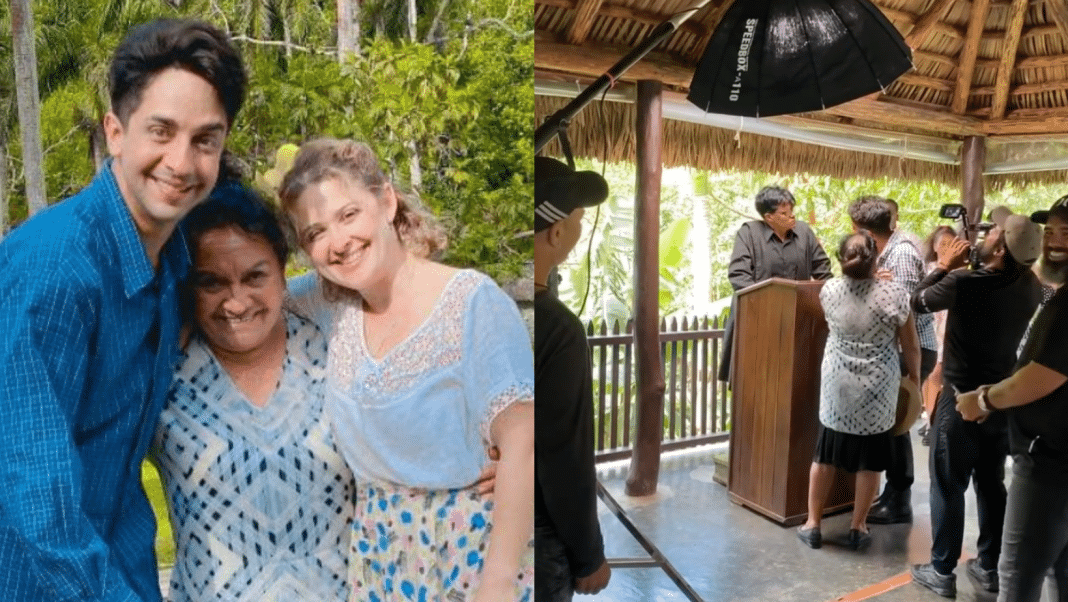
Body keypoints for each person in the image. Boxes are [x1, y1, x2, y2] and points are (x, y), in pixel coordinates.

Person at [0, 19, 246, 601]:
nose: (181, 163)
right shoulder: (57, 268)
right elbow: (38, 500)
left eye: (205, 140)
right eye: (161, 131)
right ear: (115, 131)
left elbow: (272, 299)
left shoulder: (172, 265)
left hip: (124, 567)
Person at [280, 138, 534, 602]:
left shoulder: (471, 302)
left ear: (387, 201)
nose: (337, 243)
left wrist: (496, 586)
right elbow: (247, 296)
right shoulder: (332, 305)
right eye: (315, 233)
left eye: (348, 214)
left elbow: (523, 442)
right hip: (379, 556)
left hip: (471, 554)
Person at [151, 183, 356, 601]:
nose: (236, 302)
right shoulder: (162, 376)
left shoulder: (337, 350)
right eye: (212, 282)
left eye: (254, 276)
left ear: (284, 273)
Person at [908, 213, 1043, 598]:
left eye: (993, 233)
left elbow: (916, 302)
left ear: (1000, 249)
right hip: (999, 400)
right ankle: (988, 566)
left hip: (960, 397)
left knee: (948, 485)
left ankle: (942, 571)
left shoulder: (964, 281)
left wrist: (943, 266)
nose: (984, 235)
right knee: (991, 483)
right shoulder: (1032, 286)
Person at [956, 197, 1068, 602]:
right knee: (1060, 570)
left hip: (1048, 463)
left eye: (1066, 233)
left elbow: (1042, 376)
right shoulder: (1046, 290)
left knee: (1018, 575)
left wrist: (984, 399)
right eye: (1050, 231)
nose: (1055, 241)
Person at [797, 230, 920, 551]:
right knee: (870, 463)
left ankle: (812, 524)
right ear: (875, 257)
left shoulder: (830, 290)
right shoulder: (895, 295)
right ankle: (858, 527)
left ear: (841, 260)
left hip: (838, 387)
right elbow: (910, 346)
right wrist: (916, 381)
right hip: (877, 390)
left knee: (824, 455)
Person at [533, 156, 611, 601]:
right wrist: (588, 554)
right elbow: (562, 456)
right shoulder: (556, 329)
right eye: (579, 218)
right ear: (556, 231)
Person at [848, 195, 937, 525]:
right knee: (891, 424)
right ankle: (891, 493)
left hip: (910, 349)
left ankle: (900, 498)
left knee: (897, 425)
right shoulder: (890, 249)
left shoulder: (899, 254)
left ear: (865, 232)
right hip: (902, 349)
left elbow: (899, 311)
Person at [718, 185, 833, 383]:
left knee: (796, 381)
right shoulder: (749, 233)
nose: (792, 217)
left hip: (798, 321)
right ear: (768, 217)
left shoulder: (804, 232)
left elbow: (823, 271)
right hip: (758, 321)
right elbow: (738, 276)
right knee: (758, 381)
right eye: (784, 213)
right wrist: (770, 303)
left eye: (792, 211)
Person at [918, 225, 958, 440]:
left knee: (936, 375)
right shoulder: (929, 269)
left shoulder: (959, 271)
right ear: (933, 246)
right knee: (929, 377)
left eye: (949, 244)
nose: (945, 248)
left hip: (947, 330)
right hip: (929, 327)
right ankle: (929, 421)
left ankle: (934, 424)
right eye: (941, 244)